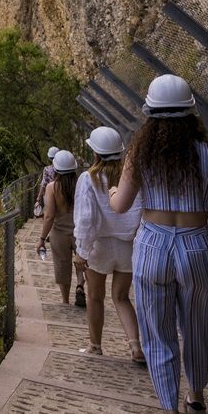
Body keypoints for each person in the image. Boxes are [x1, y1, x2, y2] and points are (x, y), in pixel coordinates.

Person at [110, 75, 208, 414]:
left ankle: (169, 408)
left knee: (158, 331)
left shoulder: (139, 152)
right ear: (191, 113)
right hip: (196, 245)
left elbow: (121, 205)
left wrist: (112, 193)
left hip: (153, 245)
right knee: (195, 325)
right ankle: (196, 397)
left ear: (150, 113)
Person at [74, 126, 144, 362]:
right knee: (122, 297)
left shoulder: (89, 178)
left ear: (95, 152)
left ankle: (95, 346)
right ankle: (135, 346)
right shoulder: (131, 176)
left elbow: (86, 218)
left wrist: (81, 251)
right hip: (127, 245)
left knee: (95, 296)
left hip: (99, 246)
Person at [36, 150, 86, 307]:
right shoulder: (81, 184)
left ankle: (65, 301)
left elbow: (49, 216)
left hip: (59, 231)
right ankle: (80, 284)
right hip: (80, 230)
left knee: (62, 264)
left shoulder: (52, 187)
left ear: (55, 169)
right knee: (82, 261)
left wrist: (42, 239)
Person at [34, 146, 60, 217]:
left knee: (49, 213)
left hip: (49, 194)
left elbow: (43, 184)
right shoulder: (63, 169)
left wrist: (39, 197)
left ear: (49, 157)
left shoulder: (47, 169)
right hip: (61, 193)